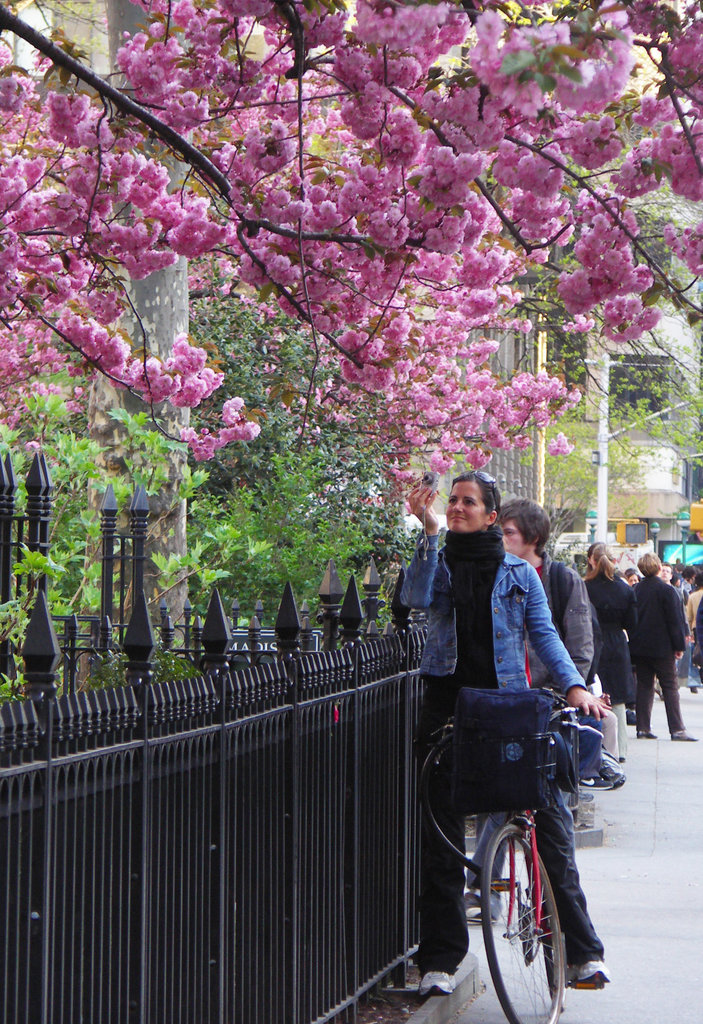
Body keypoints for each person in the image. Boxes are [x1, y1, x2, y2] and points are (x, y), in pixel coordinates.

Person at [401, 471, 609, 998]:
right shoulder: (440, 562)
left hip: (505, 711)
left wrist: (576, 688)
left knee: (548, 826)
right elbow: (415, 597)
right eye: (451, 501)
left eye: (467, 501)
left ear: (491, 516)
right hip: (446, 711)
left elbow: (544, 635)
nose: (455, 508)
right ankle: (440, 963)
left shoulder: (520, 573)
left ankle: (581, 953)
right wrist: (427, 532)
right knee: (441, 844)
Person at [498, 499, 622, 777]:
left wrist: (565, 691)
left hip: (549, 696)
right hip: (508, 693)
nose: (501, 540)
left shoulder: (561, 579)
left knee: (552, 786)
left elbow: (580, 645)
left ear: (534, 537)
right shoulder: (498, 576)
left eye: (508, 533)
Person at [628, 552, 697, 741]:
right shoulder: (667, 591)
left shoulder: (635, 590)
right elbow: (674, 621)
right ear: (659, 568)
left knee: (644, 685)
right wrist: (679, 646)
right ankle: (677, 728)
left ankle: (642, 727)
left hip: (640, 646)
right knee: (669, 685)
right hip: (662, 647)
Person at [584, 544, 638, 761]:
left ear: (591, 560)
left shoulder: (584, 587)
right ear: (614, 562)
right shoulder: (625, 589)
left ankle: (593, 749)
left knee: (590, 695)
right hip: (616, 644)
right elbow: (632, 624)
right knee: (616, 700)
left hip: (590, 643)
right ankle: (619, 751)